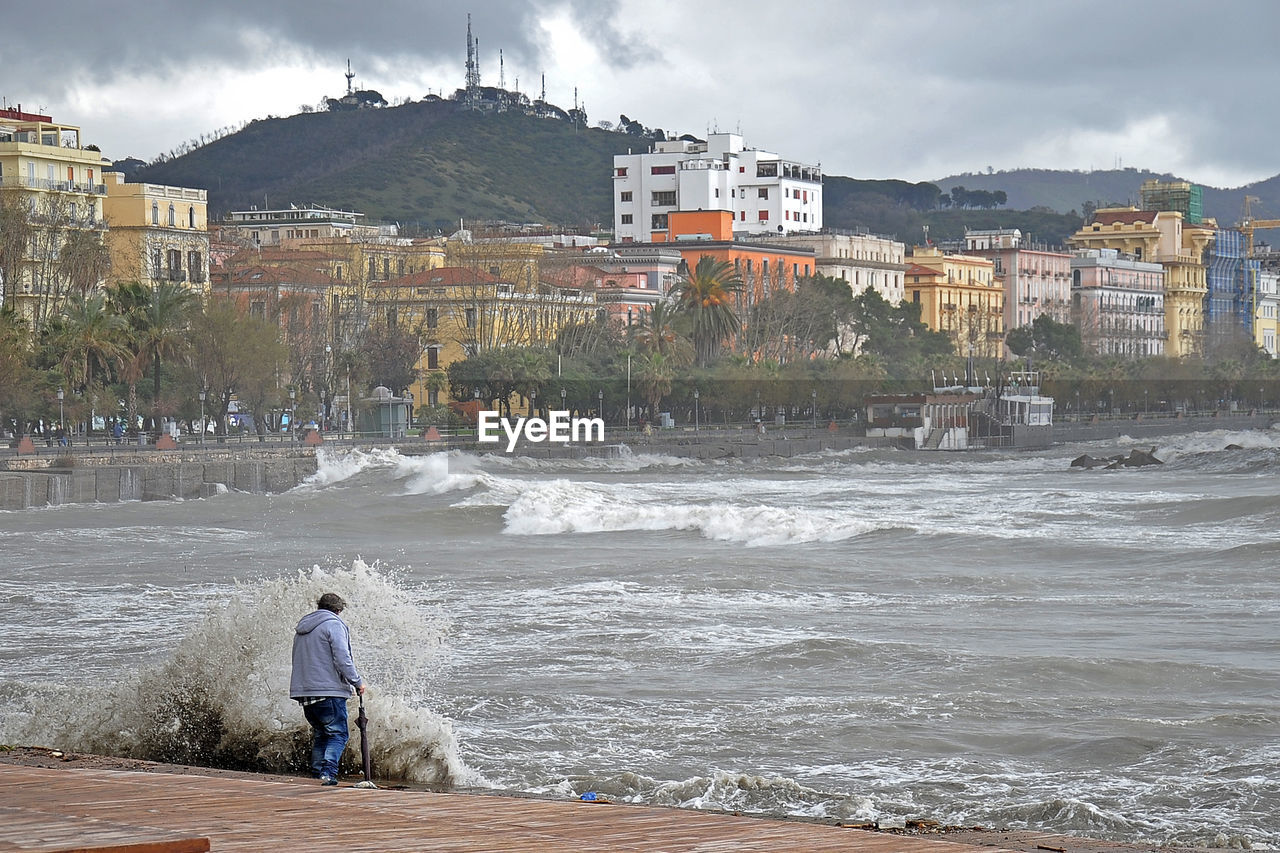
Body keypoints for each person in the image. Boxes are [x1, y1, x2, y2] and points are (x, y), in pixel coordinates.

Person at [290, 592, 365, 786]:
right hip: (328, 691)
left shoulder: (303, 628)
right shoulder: (334, 624)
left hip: (305, 691)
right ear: (338, 610)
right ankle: (328, 773)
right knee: (338, 734)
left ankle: (317, 775)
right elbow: (342, 657)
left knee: (322, 733)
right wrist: (357, 681)